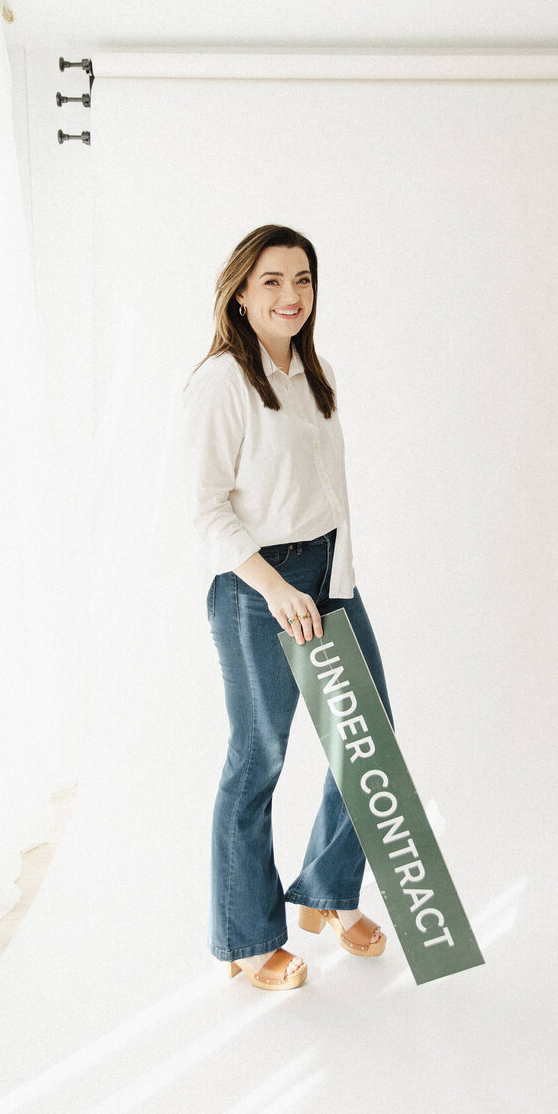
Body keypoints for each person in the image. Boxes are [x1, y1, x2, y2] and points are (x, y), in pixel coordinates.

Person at [180, 224, 396, 991]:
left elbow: (326, 495)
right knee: (258, 757)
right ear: (241, 292)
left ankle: (328, 894)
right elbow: (206, 511)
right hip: (254, 587)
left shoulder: (316, 372)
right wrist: (276, 589)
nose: (290, 295)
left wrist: (331, 582)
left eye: (301, 279)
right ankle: (246, 939)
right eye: (271, 280)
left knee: (368, 741)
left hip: (329, 575)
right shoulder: (220, 384)